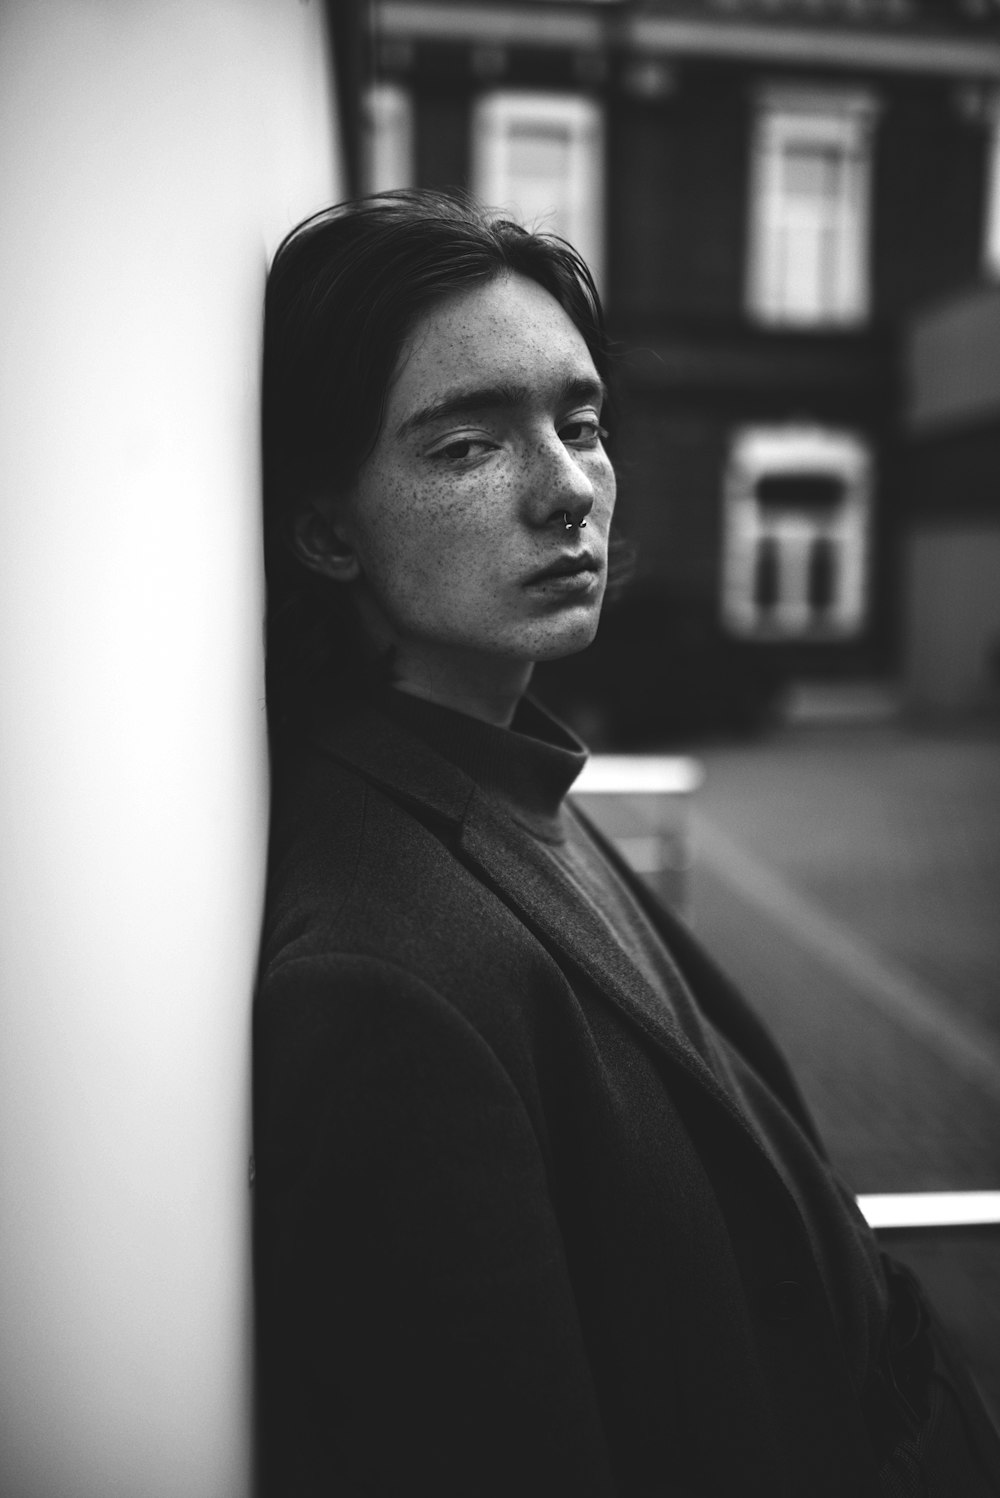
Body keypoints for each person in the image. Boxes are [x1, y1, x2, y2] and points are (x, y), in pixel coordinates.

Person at [253, 189, 1000, 1497]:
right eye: (469, 445)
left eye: (582, 424)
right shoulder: (374, 984)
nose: (568, 489)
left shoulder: (508, 772)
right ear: (327, 530)